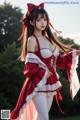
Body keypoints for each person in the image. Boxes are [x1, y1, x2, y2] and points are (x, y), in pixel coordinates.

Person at [10, 2, 80, 120]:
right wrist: (43, 72)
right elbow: (29, 67)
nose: (43, 23)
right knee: (44, 117)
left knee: (40, 118)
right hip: (37, 83)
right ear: (31, 22)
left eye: (45, 19)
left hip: (50, 83)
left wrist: (72, 54)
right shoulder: (32, 40)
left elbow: (59, 61)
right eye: (38, 20)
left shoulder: (48, 39)